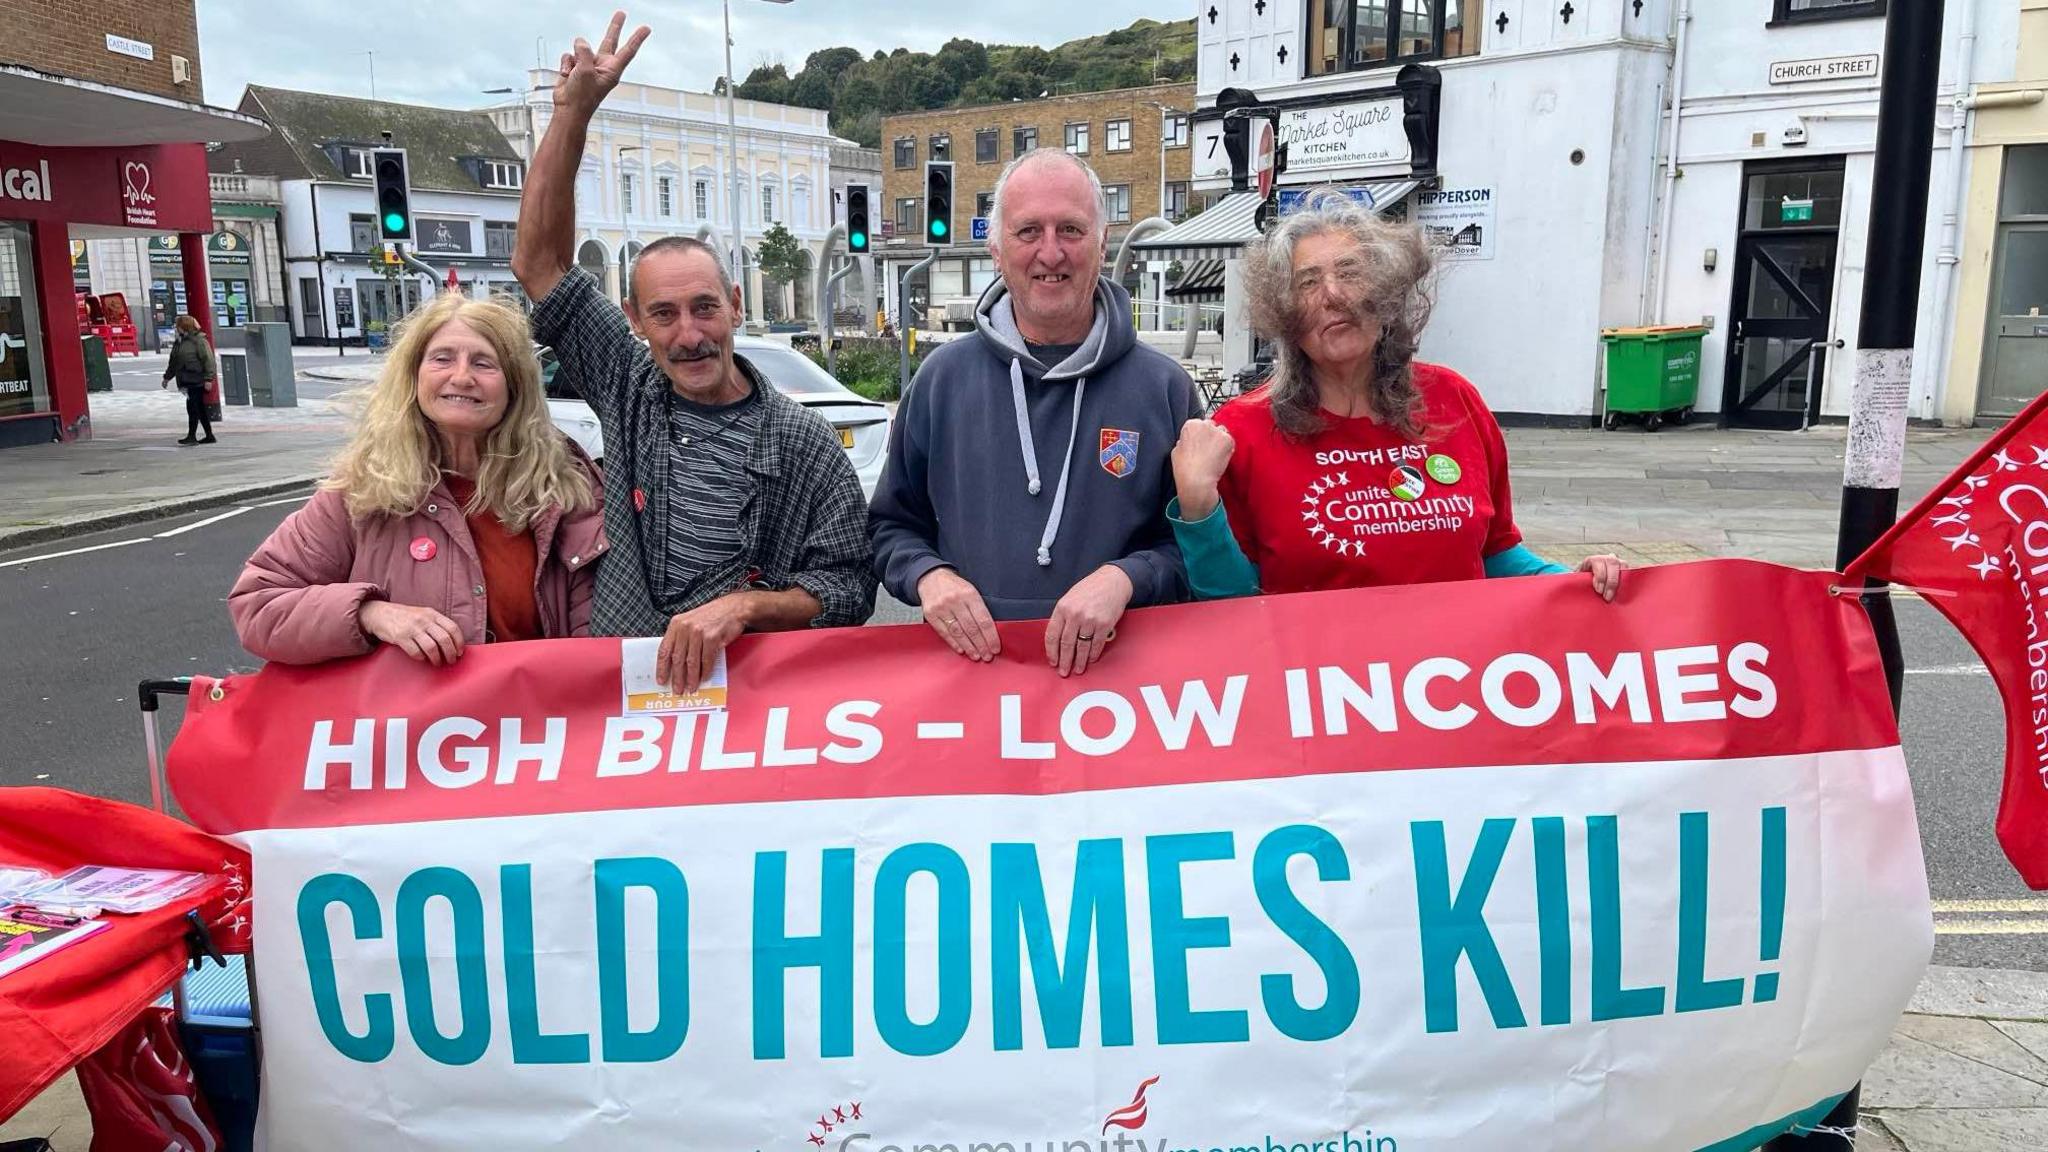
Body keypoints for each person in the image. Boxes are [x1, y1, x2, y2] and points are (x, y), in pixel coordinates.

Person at [511, 12, 874, 694]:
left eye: (705, 307)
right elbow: (539, 262)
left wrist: (744, 608)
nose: (689, 334)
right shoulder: (627, 387)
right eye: (664, 314)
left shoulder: (804, 444)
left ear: (735, 304)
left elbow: (850, 589)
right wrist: (573, 116)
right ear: (634, 321)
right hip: (625, 696)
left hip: (753, 713)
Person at [1167, 191, 1623, 601]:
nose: (1332, 294)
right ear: (1283, 311)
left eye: (1350, 272)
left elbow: (1494, 555)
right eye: (1307, 282)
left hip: (1450, 681)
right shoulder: (1243, 431)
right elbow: (1229, 600)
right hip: (1322, 686)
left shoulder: (1454, 399)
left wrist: (1572, 581)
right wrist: (1198, 505)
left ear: (1385, 290)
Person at [869, 148, 1203, 678]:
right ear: (997, 250)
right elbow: (889, 526)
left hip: (1124, 692)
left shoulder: (1165, 389)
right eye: (1029, 232)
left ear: (1102, 241)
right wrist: (929, 576)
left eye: (1070, 229)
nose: (1051, 253)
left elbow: (1200, 549)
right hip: (974, 685)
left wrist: (1127, 578)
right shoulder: (940, 381)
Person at [229, 293, 605, 665]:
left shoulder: (561, 489)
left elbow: (598, 638)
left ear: (514, 386)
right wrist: (370, 614)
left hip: (532, 721)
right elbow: (259, 605)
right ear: (414, 375)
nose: (462, 377)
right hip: (410, 725)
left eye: (484, 363)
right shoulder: (362, 491)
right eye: (442, 359)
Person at [160, 315, 217, 445]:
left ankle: (192, 436)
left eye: (178, 325)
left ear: (184, 326)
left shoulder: (198, 341)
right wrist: (167, 377)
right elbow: (174, 362)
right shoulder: (179, 342)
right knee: (199, 408)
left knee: (193, 408)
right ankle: (209, 435)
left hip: (196, 379)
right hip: (186, 379)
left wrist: (209, 379)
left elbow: (208, 360)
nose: (176, 328)